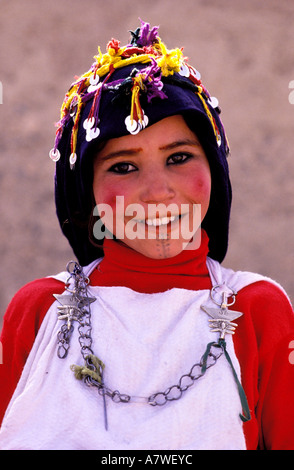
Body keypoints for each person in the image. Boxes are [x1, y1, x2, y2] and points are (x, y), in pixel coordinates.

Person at [0, 20, 293, 451]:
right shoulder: (40, 312)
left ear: (215, 169)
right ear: (88, 194)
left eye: (179, 157)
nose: (158, 191)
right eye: (123, 166)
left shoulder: (256, 311)